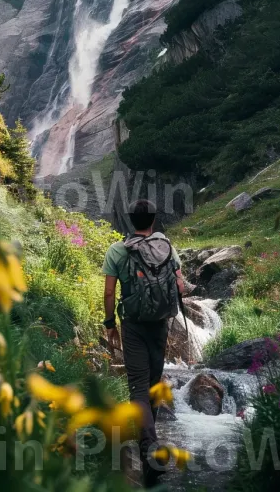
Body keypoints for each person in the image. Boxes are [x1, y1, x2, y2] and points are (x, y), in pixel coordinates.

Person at [102, 199, 186, 487]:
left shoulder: (118, 250)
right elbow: (180, 285)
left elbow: (109, 292)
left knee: (138, 387)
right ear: (153, 219)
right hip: (160, 325)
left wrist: (110, 323)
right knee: (151, 384)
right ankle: (150, 443)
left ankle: (150, 452)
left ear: (130, 220)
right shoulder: (167, 247)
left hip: (134, 326)